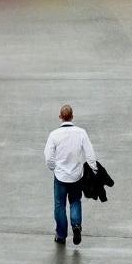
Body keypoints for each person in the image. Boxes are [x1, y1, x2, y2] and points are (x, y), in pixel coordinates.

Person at [44, 104, 96, 246]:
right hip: (76, 176)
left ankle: (61, 235)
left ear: (60, 117)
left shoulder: (54, 135)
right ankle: (76, 225)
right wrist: (93, 168)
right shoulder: (81, 133)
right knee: (75, 201)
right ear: (72, 116)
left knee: (59, 205)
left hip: (60, 176)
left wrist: (53, 168)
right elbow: (90, 153)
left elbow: (48, 157)